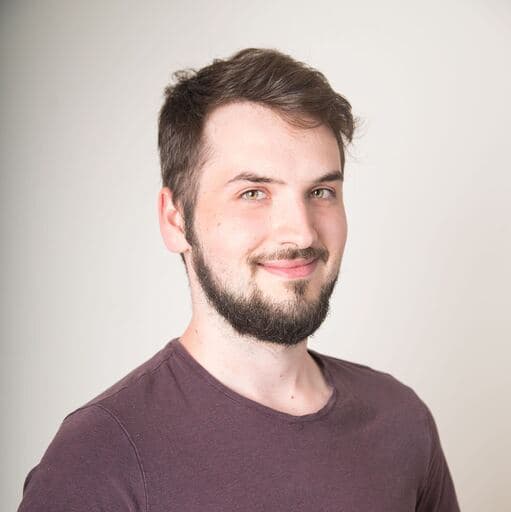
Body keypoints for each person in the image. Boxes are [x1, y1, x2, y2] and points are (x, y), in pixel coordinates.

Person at [18, 48, 460, 511]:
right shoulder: (98, 458)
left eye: (321, 191)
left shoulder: (400, 421)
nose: (301, 232)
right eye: (253, 193)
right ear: (175, 219)